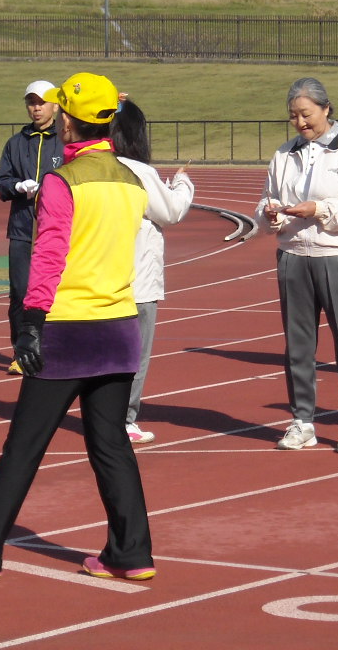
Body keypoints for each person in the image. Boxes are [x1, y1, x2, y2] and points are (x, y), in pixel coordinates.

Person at [0, 72, 156, 581]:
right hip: (118, 325)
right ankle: (131, 552)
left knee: (25, 445)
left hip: (67, 328)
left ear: (67, 119)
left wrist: (30, 323)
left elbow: (50, 255)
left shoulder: (63, 181)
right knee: (111, 446)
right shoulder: (131, 181)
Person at [255, 77, 338, 453]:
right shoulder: (284, 154)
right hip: (293, 256)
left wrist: (320, 209)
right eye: (293, 116)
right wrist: (272, 215)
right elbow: (265, 203)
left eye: (306, 114)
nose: (300, 123)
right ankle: (302, 420)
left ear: (326, 110)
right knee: (298, 345)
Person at [112, 98, 195, 444]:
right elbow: (172, 211)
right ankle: (125, 419)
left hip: (99, 278)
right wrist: (182, 183)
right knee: (134, 356)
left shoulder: (86, 167)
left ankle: (104, 415)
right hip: (137, 282)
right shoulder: (139, 171)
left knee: (104, 354)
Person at [0, 80, 64, 375]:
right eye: (31, 102)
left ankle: (53, 350)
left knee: (56, 293)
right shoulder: (16, 142)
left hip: (57, 230)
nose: (36, 108)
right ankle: (22, 352)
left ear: (55, 105)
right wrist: (17, 186)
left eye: (42, 102)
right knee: (20, 294)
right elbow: (1, 181)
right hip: (22, 230)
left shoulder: (65, 140)